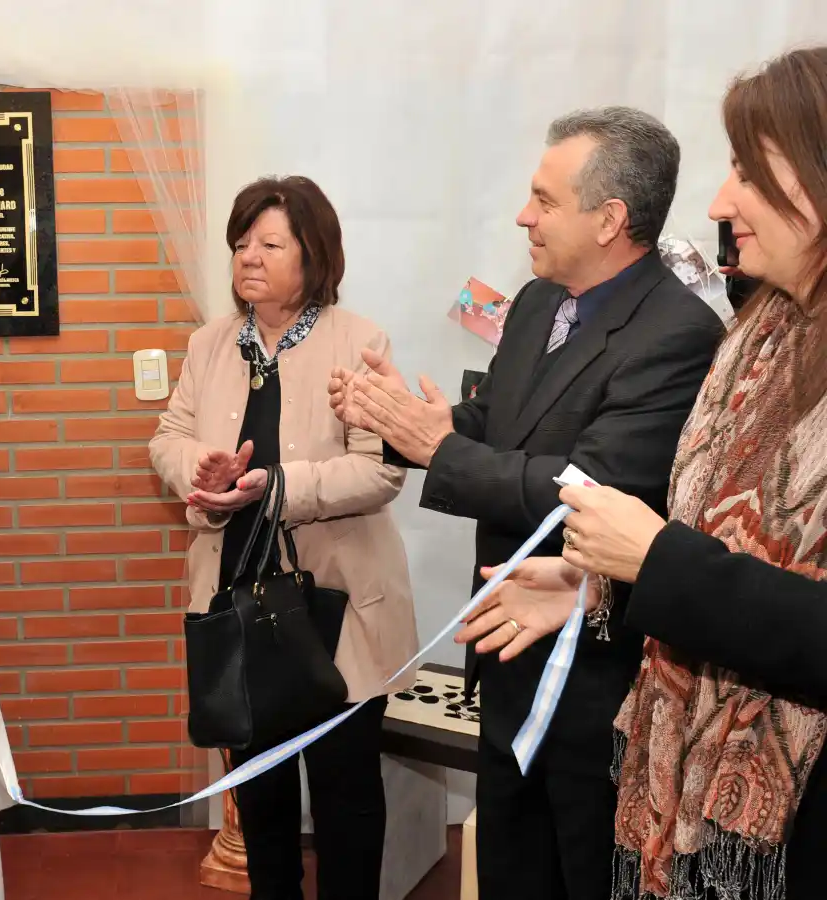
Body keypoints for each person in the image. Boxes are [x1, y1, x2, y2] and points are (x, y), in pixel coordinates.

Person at [456, 46, 827, 900]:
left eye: (749, 171)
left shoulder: (682, 331)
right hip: (674, 777)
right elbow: (714, 546)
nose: (718, 202)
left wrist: (650, 561)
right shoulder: (760, 344)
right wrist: (600, 588)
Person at [329, 107, 725, 899]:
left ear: (610, 219)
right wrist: (418, 425)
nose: (524, 216)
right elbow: (504, 427)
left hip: (593, 681)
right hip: (506, 658)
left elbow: (581, 489)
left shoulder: (678, 334)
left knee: (583, 872)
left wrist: (440, 447)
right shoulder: (539, 302)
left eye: (544, 200)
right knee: (510, 869)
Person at [149, 175, 418, 900]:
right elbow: (168, 436)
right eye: (241, 244)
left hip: (338, 614)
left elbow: (381, 472)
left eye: (270, 243)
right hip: (237, 609)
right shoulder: (209, 345)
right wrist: (196, 473)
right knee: (260, 801)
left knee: (346, 800)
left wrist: (281, 485)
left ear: (314, 254)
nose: (249, 258)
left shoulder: (358, 342)